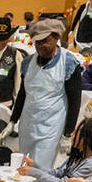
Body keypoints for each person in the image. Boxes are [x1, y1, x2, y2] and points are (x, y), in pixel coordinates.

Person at [12, 20, 84, 170]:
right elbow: (22, 94)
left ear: (56, 37)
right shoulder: (28, 63)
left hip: (52, 124)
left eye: (45, 41)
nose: (40, 46)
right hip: (28, 122)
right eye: (37, 43)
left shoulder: (69, 64)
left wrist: (67, 133)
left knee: (40, 168)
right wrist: (12, 120)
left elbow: (75, 101)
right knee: (23, 165)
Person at [19, 116, 92, 182]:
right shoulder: (78, 157)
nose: (72, 135)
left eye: (76, 132)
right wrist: (34, 165)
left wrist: (34, 172)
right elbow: (57, 173)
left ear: (87, 139)